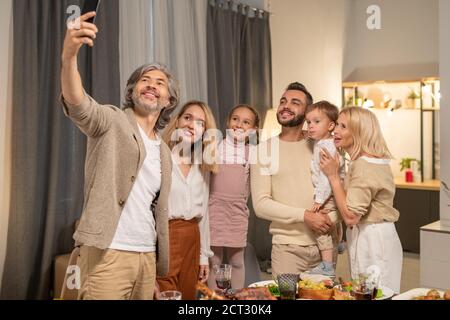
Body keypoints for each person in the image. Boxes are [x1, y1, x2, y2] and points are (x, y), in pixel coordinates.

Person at [60, 12, 179, 299]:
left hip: (146, 256)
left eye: (159, 82)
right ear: (133, 90)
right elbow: (78, 104)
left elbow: (153, 208)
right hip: (108, 252)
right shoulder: (112, 120)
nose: (151, 84)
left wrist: (146, 266)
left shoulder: (164, 150)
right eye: (144, 80)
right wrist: (68, 58)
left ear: (168, 100)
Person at [251, 82, 341, 278]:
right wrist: (306, 216)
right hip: (287, 249)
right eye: (283, 101)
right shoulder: (262, 150)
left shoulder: (323, 146)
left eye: (294, 102)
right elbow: (261, 204)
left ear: (308, 111)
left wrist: (329, 220)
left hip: (325, 245)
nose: (286, 105)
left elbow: (340, 188)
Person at [320, 107, 403, 293]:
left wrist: (333, 176)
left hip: (373, 239)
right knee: (369, 292)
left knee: (376, 294)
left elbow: (350, 216)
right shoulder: (365, 162)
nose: (336, 131)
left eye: (343, 126)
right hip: (372, 235)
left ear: (359, 131)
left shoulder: (365, 165)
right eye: (337, 125)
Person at [156, 101, 218, 300]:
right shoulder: (159, 157)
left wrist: (203, 257)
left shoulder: (203, 166)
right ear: (177, 122)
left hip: (193, 239)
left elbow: (204, 215)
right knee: (164, 295)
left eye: (200, 123)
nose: (192, 125)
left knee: (189, 298)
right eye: (188, 118)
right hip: (164, 237)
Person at [207, 105, 260, 290]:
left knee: (237, 260)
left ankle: (236, 296)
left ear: (253, 130)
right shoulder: (215, 147)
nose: (239, 124)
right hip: (213, 210)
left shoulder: (253, 152)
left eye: (246, 122)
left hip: (237, 213)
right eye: (235, 119)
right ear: (228, 122)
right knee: (214, 260)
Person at [304, 101, 344, 277]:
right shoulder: (324, 142)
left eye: (316, 122)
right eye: (308, 122)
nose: (310, 126)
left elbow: (326, 178)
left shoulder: (327, 148)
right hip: (333, 194)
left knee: (320, 226)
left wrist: (319, 200)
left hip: (328, 195)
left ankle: (327, 265)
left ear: (331, 126)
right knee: (333, 224)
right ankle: (340, 242)